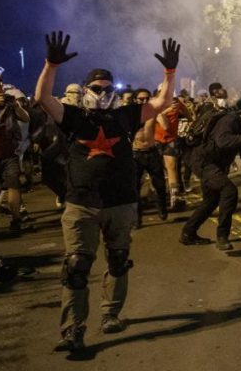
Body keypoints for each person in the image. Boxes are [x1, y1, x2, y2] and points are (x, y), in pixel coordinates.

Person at [35, 31, 180, 352]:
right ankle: (73, 328)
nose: (102, 93)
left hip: (119, 203)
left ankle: (111, 314)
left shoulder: (123, 116)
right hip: (81, 205)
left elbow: (163, 102)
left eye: (106, 88)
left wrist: (169, 73)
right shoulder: (73, 117)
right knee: (76, 266)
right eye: (96, 88)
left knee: (118, 259)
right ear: (87, 90)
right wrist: (51, 65)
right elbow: (44, 98)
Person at [181, 97, 241, 250]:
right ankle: (222, 236)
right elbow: (223, 141)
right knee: (229, 191)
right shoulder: (230, 120)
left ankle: (188, 233)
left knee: (211, 201)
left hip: (215, 164)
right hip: (205, 163)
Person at [0, 74, 31, 233]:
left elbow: (26, 119)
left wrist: (16, 107)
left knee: (14, 185)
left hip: (8, 153)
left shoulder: (8, 102)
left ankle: (16, 220)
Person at [131, 89, 169, 227]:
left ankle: (162, 208)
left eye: (147, 98)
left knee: (160, 184)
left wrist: (160, 113)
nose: (144, 101)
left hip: (152, 152)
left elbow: (165, 126)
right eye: (141, 99)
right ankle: (137, 218)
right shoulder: (130, 114)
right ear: (136, 100)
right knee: (134, 188)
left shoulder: (153, 112)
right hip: (135, 153)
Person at [155, 97, 192, 210]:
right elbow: (157, 118)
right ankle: (156, 194)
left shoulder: (176, 102)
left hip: (171, 139)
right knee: (156, 169)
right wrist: (168, 109)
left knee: (171, 167)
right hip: (155, 139)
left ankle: (174, 197)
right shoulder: (155, 103)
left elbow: (188, 114)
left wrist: (191, 120)